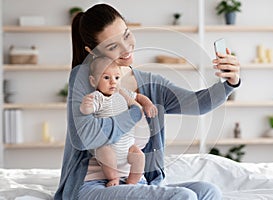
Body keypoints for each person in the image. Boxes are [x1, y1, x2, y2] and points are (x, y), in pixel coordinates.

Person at [55, 3, 241, 200]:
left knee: (209, 191)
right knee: (183, 196)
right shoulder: (85, 76)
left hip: (137, 180)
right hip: (92, 186)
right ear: (93, 51)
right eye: (112, 46)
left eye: (126, 35)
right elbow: (84, 137)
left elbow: (198, 104)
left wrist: (230, 82)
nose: (126, 48)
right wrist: (134, 113)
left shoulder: (150, 84)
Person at [80, 56, 157, 187]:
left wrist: (148, 104)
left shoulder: (122, 93)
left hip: (128, 146)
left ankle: (132, 182)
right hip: (107, 145)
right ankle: (113, 178)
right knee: (104, 152)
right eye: (106, 78)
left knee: (140, 157)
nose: (113, 82)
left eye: (116, 78)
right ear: (93, 81)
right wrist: (85, 105)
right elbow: (86, 110)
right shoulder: (98, 97)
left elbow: (138, 96)